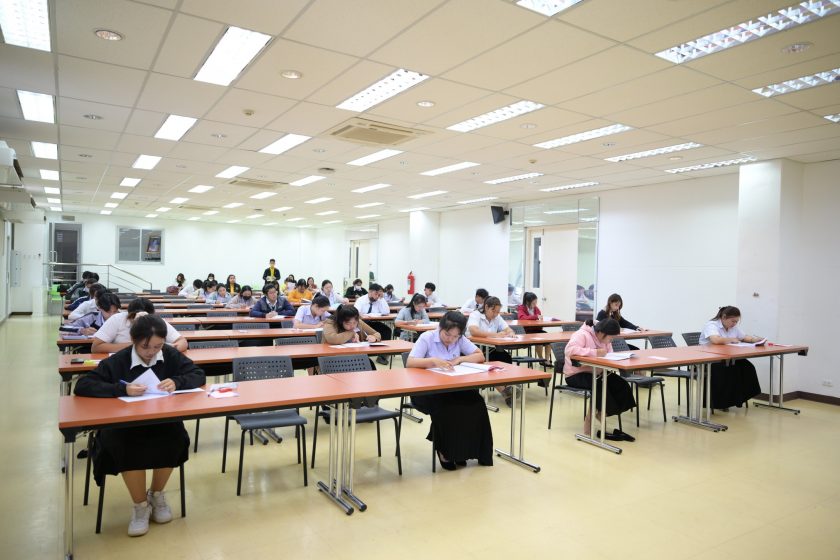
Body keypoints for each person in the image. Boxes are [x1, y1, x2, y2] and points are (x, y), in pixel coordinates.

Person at [74, 314, 205, 537]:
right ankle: (140, 505)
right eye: (146, 347)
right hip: (125, 425)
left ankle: (156, 494)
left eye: (157, 346)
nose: (151, 352)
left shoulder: (169, 354)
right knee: (125, 445)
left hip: (161, 419)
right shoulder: (120, 360)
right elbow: (83, 385)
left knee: (176, 439)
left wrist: (177, 382)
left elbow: (198, 374)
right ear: (134, 340)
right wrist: (121, 389)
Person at [406, 311, 493, 470]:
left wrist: (460, 358)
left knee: (476, 402)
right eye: (447, 335)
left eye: (455, 336)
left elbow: (479, 356)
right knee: (449, 407)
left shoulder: (459, 339)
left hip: (453, 386)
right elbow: (410, 363)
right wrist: (433, 361)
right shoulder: (427, 338)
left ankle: (467, 451)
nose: (450, 339)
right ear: (440, 327)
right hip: (428, 390)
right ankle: (445, 452)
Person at [564, 318, 636, 440]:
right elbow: (569, 350)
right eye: (610, 338)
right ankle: (591, 417)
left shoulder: (605, 339)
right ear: (602, 333)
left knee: (621, 385)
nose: (611, 341)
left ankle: (602, 413)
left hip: (597, 372)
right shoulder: (582, 334)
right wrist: (594, 352)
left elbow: (609, 353)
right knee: (599, 385)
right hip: (576, 374)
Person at [700, 306, 763, 410]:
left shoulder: (733, 327)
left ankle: (739, 399)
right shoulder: (712, 325)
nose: (734, 324)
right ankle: (720, 403)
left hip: (726, 358)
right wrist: (731, 339)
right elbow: (715, 340)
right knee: (730, 370)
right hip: (710, 360)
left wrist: (755, 340)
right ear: (724, 317)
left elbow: (743, 337)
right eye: (733, 321)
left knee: (747, 367)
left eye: (736, 321)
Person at [466, 296, 515, 406]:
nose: (496, 314)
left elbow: (507, 329)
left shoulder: (497, 317)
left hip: (490, 348)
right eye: (493, 311)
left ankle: (507, 387)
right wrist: (495, 335)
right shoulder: (475, 315)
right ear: (486, 307)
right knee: (489, 363)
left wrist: (511, 333)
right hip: (475, 349)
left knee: (505, 357)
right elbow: (474, 331)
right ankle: (505, 391)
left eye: (498, 311)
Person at [92, 298, 188, 353]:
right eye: (136, 318)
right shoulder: (116, 319)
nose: (141, 322)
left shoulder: (157, 321)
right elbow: (96, 347)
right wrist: (134, 347)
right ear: (128, 315)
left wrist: (161, 348)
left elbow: (182, 342)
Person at [353, 283, 392, 363]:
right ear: (370, 292)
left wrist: (382, 299)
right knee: (362, 333)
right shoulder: (361, 300)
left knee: (387, 330)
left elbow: (386, 312)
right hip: (362, 323)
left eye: (379, 295)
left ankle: (382, 356)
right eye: (376, 294)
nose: (377, 297)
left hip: (373, 322)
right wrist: (360, 314)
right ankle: (364, 355)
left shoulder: (379, 300)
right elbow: (355, 312)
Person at [517, 291, 548, 363]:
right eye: (533, 303)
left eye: (536, 303)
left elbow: (539, 316)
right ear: (527, 302)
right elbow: (522, 318)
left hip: (536, 329)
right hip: (527, 331)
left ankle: (547, 360)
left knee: (549, 339)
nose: (535, 305)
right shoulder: (521, 308)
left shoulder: (536, 308)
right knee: (539, 340)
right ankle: (541, 359)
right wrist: (535, 317)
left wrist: (538, 317)